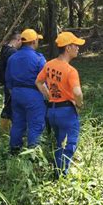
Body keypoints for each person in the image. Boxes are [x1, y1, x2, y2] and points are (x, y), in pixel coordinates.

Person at [35, 32, 85, 178]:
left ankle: (58, 171)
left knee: (59, 143)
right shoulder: (70, 71)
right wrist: (79, 104)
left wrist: (49, 96)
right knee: (70, 143)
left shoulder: (49, 65)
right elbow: (77, 92)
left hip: (52, 111)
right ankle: (62, 175)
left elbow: (38, 82)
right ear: (68, 48)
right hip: (67, 112)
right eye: (76, 46)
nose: (78, 48)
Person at [5, 29, 46, 153]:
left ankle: (14, 151)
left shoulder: (12, 58)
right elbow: (45, 81)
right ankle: (33, 155)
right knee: (35, 125)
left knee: (17, 124)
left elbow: (8, 81)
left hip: (16, 94)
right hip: (34, 95)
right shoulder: (39, 59)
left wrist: (16, 93)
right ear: (34, 41)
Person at [0, 33, 21, 132]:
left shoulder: (4, 49)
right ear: (18, 39)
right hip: (12, 83)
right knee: (10, 107)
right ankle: (5, 131)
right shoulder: (12, 52)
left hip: (7, 82)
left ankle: (5, 130)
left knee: (8, 105)